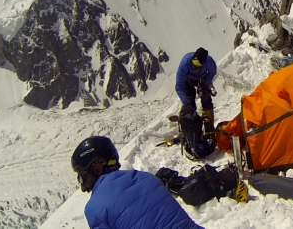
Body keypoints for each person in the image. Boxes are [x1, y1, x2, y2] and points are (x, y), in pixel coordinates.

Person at [71, 135, 203, 229]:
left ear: (97, 168)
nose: (82, 186)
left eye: (81, 176)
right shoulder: (147, 178)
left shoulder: (94, 209)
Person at [176, 47, 218, 133]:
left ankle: (209, 128)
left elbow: (212, 72)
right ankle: (193, 130)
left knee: (206, 100)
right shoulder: (185, 63)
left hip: (202, 78)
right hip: (188, 81)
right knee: (190, 104)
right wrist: (187, 103)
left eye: (198, 66)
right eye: (194, 65)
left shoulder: (209, 62)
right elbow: (179, 86)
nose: (196, 68)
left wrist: (206, 84)